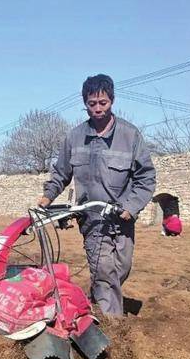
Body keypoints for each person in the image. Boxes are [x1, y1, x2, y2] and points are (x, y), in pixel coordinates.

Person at [38, 74, 156, 316]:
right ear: (85, 103)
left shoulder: (130, 136)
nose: (98, 109)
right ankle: (112, 327)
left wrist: (130, 207)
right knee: (104, 272)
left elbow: (146, 178)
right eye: (92, 104)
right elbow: (61, 172)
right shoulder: (75, 137)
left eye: (103, 103)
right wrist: (46, 198)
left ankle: (99, 300)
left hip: (122, 218)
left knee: (121, 268)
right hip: (92, 220)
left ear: (112, 100)